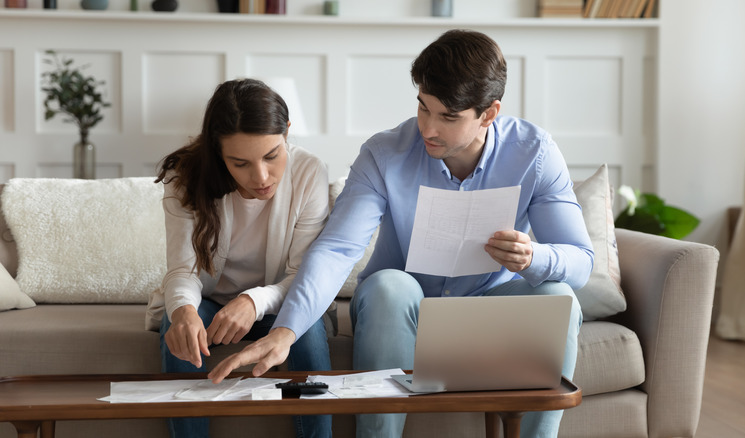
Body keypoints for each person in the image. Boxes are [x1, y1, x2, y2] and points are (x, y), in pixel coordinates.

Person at [209, 30, 594, 438]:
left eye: (448, 117)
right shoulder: (384, 153)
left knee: (560, 299)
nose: (427, 128)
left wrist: (535, 257)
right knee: (389, 286)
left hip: (490, 311)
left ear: (488, 113)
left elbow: (581, 261)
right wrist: (284, 333)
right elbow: (338, 248)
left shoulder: (534, 153)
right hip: (399, 311)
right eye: (423, 108)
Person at [151, 78, 332, 438]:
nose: (261, 177)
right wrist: (184, 311)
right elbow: (183, 270)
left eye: (271, 156)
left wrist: (253, 301)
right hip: (209, 304)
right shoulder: (185, 178)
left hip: (280, 305)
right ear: (219, 154)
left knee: (308, 331)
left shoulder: (310, 173)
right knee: (179, 330)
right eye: (240, 163)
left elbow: (303, 275)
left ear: (287, 134)